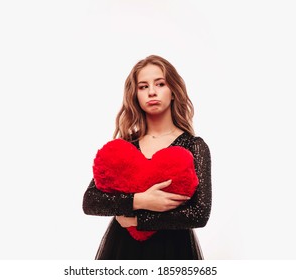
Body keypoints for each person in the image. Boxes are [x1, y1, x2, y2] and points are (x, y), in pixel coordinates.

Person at [82, 55, 212, 260]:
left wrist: (138, 220)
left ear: (173, 92)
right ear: (135, 95)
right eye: (143, 86)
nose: (152, 91)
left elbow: (199, 213)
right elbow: (91, 201)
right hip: (123, 248)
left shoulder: (194, 146)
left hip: (175, 250)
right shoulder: (126, 147)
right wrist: (139, 200)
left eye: (160, 84)